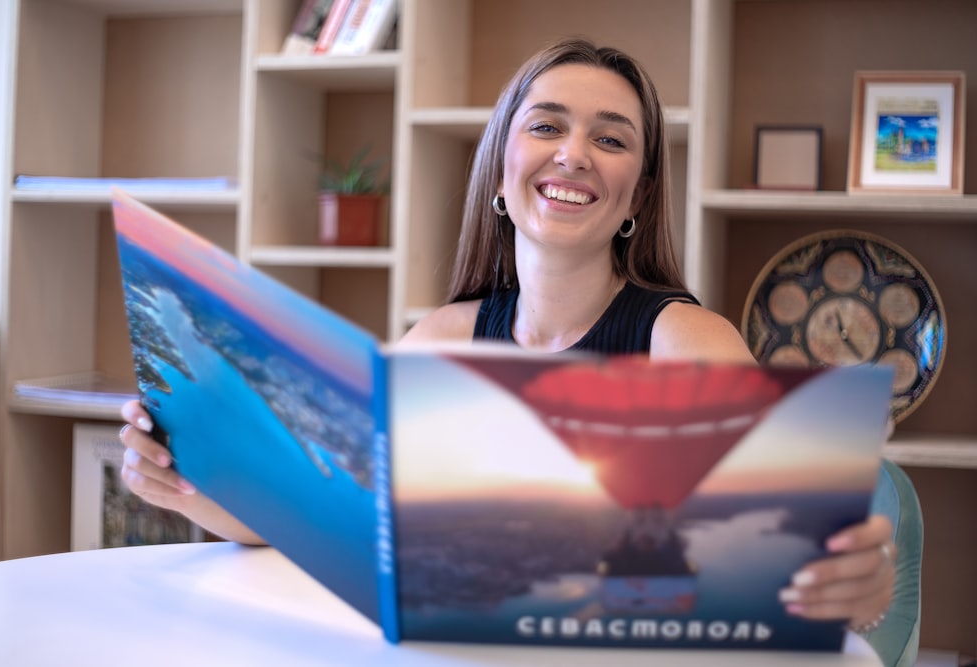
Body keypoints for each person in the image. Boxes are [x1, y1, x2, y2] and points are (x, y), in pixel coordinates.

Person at [120, 37, 895, 634]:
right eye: (547, 126)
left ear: (638, 193)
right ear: (500, 169)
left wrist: (856, 581)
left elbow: (778, 566)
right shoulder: (440, 339)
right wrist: (182, 480)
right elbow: (322, 520)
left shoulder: (686, 342)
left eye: (612, 138)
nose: (573, 153)